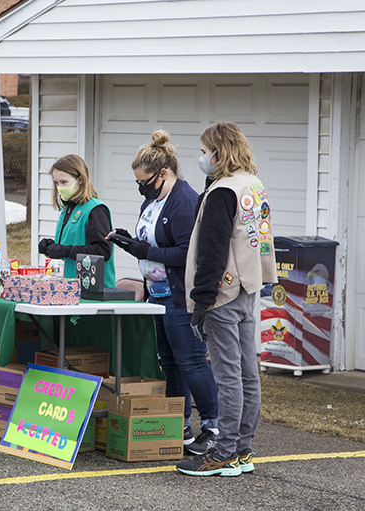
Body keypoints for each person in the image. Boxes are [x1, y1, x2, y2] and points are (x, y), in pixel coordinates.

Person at [107, 129, 219, 456]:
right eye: (138, 183)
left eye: (145, 181)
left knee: (192, 361)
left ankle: (214, 425)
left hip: (178, 295)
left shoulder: (183, 201)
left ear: (163, 173)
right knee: (169, 361)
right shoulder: (153, 199)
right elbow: (152, 245)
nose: (141, 188)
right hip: (157, 294)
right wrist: (131, 243)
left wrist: (145, 251)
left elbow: (188, 254)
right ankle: (179, 421)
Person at [176, 122, 277, 477]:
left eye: (205, 151)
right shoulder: (252, 185)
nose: (201, 158)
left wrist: (201, 301)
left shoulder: (222, 191)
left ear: (219, 153)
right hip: (249, 289)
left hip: (222, 294)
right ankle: (242, 449)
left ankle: (224, 452)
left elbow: (212, 251)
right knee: (248, 374)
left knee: (228, 375)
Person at [37, 154, 115, 285]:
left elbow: (102, 251)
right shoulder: (66, 209)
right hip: (69, 287)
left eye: (64, 182)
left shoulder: (95, 209)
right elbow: (74, 241)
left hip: (92, 290)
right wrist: (52, 246)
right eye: (56, 183)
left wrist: (66, 250)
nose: (59, 187)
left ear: (80, 180)